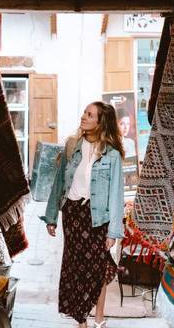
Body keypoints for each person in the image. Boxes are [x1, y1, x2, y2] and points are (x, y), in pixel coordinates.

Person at [40, 101, 125, 328]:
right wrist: (51, 217)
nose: (83, 117)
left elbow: (116, 195)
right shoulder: (71, 146)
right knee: (76, 266)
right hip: (73, 215)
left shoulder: (112, 156)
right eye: (84, 113)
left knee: (99, 266)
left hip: (97, 217)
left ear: (100, 122)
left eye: (89, 114)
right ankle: (82, 319)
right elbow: (59, 183)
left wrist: (114, 231)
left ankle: (98, 318)